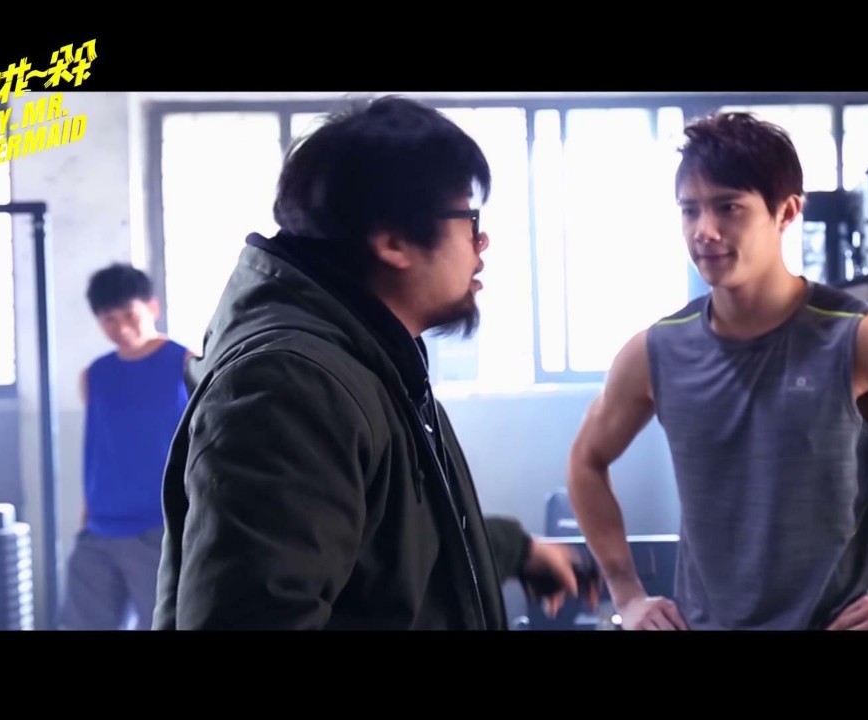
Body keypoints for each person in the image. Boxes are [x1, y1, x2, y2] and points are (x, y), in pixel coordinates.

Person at [566, 111, 868, 631]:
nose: (704, 231)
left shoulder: (862, 341)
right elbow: (586, 461)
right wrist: (628, 595)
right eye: (689, 210)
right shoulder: (654, 351)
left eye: (728, 207)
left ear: (786, 212)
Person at [152, 96, 598, 630]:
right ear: (393, 241)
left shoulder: (368, 359)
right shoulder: (293, 386)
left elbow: (393, 550)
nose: (482, 242)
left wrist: (514, 548)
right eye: (468, 218)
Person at [59, 263, 192, 630]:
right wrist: (87, 518)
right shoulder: (95, 375)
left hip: (161, 528)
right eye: (109, 319)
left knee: (166, 623)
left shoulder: (185, 363)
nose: (121, 328)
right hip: (99, 531)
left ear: (152, 307)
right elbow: (97, 450)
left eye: (129, 315)